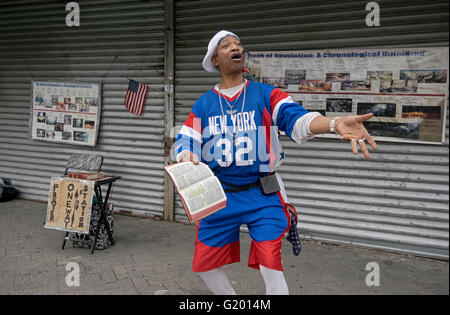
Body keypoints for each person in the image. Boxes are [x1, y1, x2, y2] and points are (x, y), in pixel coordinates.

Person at [174, 30, 377, 295]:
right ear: (215, 59)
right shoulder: (204, 104)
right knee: (204, 265)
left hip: (263, 193)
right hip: (220, 195)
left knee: (271, 265)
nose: (235, 47)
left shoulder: (266, 95)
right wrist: (186, 154)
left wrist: (335, 123)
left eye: (238, 44)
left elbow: (298, 120)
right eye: (227, 45)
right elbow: (186, 139)